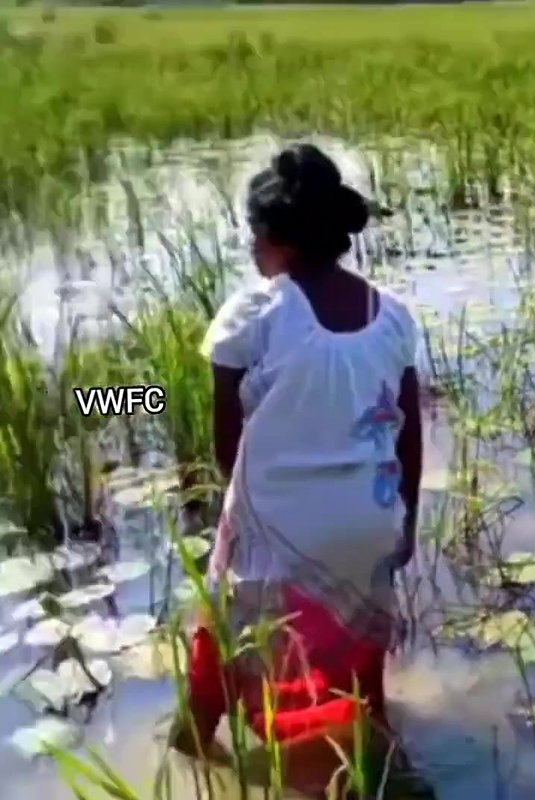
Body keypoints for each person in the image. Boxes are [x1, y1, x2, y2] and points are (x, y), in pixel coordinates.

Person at [167, 143, 423, 799]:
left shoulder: (255, 312)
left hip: (283, 525)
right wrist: (407, 523)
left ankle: (195, 763)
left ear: (275, 241)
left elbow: (229, 441)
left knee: (214, 667)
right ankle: (373, 755)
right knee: (360, 660)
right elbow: (409, 430)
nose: (251, 247)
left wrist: (246, 515)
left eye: (254, 234)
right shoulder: (391, 315)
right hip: (371, 519)